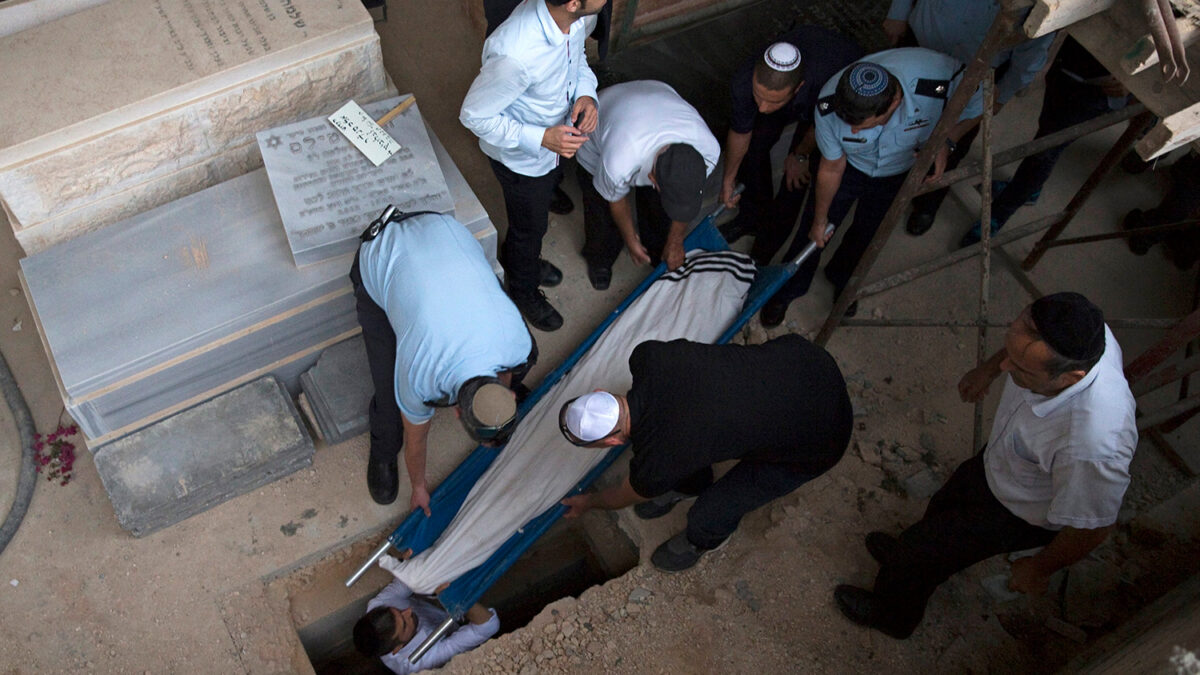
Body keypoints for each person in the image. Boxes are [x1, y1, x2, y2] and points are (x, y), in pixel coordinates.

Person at [835, 292, 1137, 639]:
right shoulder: (1078, 331)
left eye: (1020, 370)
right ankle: (909, 559)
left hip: (1018, 512)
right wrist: (988, 370)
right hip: (1001, 462)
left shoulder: (1094, 442)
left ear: (1069, 379)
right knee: (941, 508)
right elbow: (1019, 351)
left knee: (929, 548)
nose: (1008, 367)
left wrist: (1039, 569)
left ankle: (893, 615)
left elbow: (1093, 526)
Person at [556, 335, 852, 572]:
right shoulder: (648, 357)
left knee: (714, 508)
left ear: (611, 442)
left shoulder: (657, 462)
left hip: (819, 437)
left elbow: (624, 495)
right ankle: (688, 485)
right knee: (698, 442)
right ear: (598, 392)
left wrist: (589, 502)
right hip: (807, 360)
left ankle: (701, 540)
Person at [759, 48, 984, 327]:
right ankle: (790, 288)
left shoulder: (941, 80)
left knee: (869, 232)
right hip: (850, 167)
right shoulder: (831, 102)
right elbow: (831, 167)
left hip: (898, 172)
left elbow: (981, 105)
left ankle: (844, 279)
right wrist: (820, 221)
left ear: (894, 103)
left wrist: (947, 140)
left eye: (861, 125)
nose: (852, 132)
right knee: (813, 229)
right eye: (848, 124)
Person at [351, 210, 536, 508]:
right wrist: (419, 488)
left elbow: (508, 371)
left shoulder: (517, 344)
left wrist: (497, 405)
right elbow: (417, 441)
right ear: (457, 413)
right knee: (391, 402)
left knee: (529, 358)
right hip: (383, 250)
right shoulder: (419, 377)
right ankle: (384, 450)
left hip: (444, 228)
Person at [460, 0, 606, 331]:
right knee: (530, 228)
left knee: (534, 220)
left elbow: (577, 60)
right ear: (573, 3)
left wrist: (587, 95)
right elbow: (474, 115)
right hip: (522, 160)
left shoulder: (576, 20)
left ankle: (520, 261)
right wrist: (541, 138)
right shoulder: (516, 53)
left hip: (552, 148)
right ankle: (523, 289)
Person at [882, 0, 1056, 236]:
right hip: (922, 43)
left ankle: (927, 203)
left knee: (951, 144)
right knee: (896, 115)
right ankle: (886, 183)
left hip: (972, 74)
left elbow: (1032, 50)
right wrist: (898, 13)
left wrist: (1001, 95)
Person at [958, 36, 1132, 247]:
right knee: (1047, 132)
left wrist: (1135, 82)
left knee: (1045, 151)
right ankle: (1031, 189)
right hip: (1069, 67)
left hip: (1100, 89)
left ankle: (998, 215)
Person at [716, 26, 864, 264]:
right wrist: (728, 179)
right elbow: (740, 132)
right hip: (799, 85)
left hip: (829, 101)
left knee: (794, 180)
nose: (762, 107)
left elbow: (823, 125)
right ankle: (753, 215)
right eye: (758, 96)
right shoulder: (745, 81)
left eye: (771, 101)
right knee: (753, 149)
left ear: (798, 88)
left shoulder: (829, 83)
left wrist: (801, 155)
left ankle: (763, 252)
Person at [574, 80, 720, 288]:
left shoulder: (708, 151)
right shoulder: (619, 162)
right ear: (652, 179)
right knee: (600, 212)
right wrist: (630, 239)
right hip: (603, 117)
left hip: (655, 95)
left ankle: (658, 249)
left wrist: (675, 241)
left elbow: (687, 199)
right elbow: (616, 201)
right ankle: (600, 259)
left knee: (660, 210)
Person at [354, 553, 499, 673]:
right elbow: (488, 626)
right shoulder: (419, 663)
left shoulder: (378, 605)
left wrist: (411, 557)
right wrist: (453, 599)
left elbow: (407, 579)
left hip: (446, 612)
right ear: (398, 648)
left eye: (399, 611)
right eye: (404, 624)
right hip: (458, 631)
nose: (408, 611)